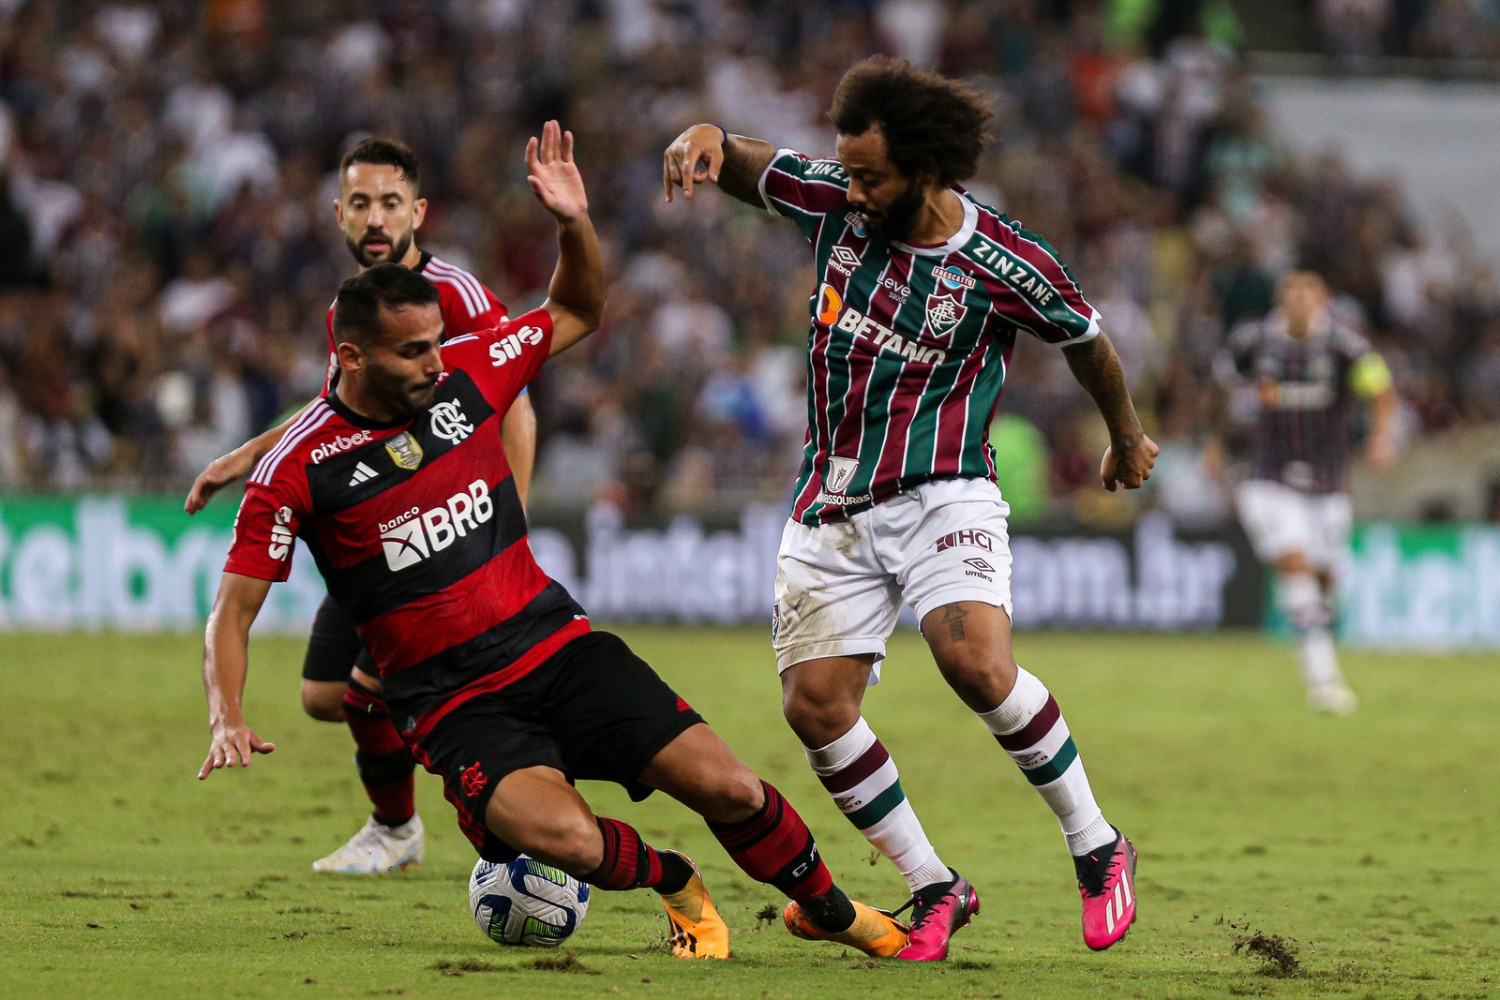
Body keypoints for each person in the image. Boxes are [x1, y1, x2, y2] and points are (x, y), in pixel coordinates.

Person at [196, 122, 910, 962]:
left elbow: (573, 309)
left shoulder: (466, 371)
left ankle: (831, 911)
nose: (436, 362)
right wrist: (227, 715)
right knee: (568, 842)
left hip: (553, 644)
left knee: (728, 785)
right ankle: (673, 879)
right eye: (414, 351)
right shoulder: (298, 470)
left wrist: (574, 223)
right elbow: (232, 613)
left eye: (437, 342)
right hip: (454, 703)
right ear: (348, 356)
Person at [663, 56, 1156, 959]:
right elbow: (753, 164)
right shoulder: (833, 204)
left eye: (871, 176)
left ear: (928, 171)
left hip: (945, 490)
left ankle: (1096, 845)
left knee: (973, 663)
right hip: (831, 497)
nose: (852, 188)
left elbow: (1087, 340)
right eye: (847, 169)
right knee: (815, 709)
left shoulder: (1004, 260)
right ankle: (935, 886)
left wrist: (1124, 436)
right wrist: (708, 140)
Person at [184, 137, 537, 874]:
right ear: (339, 213)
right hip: (375, 529)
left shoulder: (458, 298)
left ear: (419, 211)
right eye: (362, 204)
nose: (376, 218)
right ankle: (452, 764)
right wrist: (247, 455)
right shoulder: (356, 308)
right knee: (323, 695)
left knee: (376, 694)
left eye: (391, 203)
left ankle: (426, 820)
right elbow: (336, 410)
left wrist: (509, 527)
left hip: (447, 532)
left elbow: (515, 406)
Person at [1219, 269, 1397, 714]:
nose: (1298, 301)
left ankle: (1316, 621)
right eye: (1291, 294)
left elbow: (1382, 389)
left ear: (1323, 299)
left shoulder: (1345, 345)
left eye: (1308, 294)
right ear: (1281, 299)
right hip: (1269, 477)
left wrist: (1381, 437)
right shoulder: (1253, 341)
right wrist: (1214, 441)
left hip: (1328, 481)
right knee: (1295, 563)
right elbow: (1217, 387)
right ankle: (1323, 680)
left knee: (1324, 577)